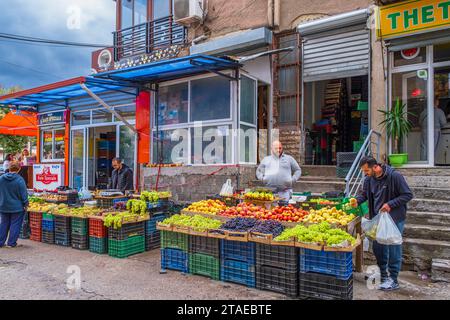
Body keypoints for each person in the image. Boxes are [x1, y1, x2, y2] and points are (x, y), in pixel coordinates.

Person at [354, 156, 413, 291]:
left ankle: (394, 279)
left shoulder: (394, 176)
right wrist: (357, 200)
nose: (365, 174)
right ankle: (383, 275)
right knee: (378, 248)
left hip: (394, 219)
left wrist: (390, 204)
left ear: (375, 167)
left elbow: (407, 195)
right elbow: (364, 195)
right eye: (363, 171)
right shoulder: (369, 180)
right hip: (377, 219)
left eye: (366, 170)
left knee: (393, 249)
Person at [0, 161, 29, 248]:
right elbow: (24, 194)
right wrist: (26, 204)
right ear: (19, 169)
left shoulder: (1, 178)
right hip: (17, 207)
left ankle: (0, 242)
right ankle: (11, 243)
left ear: (9, 168)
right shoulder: (19, 180)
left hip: (3, 206)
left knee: (3, 224)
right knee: (15, 224)